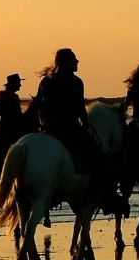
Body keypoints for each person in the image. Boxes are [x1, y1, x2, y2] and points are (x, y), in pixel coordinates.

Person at [35, 48, 129, 216]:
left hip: (49, 130)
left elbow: (39, 107)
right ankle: (107, 199)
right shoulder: (75, 82)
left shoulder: (45, 81)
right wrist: (85, 124)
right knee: (99, 159)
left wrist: (43, 126)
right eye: (74, 59)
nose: (77, 62)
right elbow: (80, 109)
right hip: (70, 130)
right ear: (67, 62)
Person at [0, 73, 25, 144]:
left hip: (3, 126)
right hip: (11, 127)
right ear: (13, 84)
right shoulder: (14, 97)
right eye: (18, 83)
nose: (20, 85)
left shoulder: (3, 95)